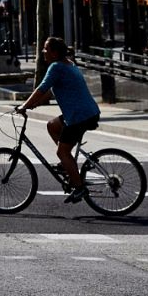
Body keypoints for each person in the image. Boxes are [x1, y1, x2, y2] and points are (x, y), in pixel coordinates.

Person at [17, 37, 100, 202]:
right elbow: (51, 91)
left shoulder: (56, 67)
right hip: (87, 112)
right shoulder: (68, 64)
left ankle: (79, 188)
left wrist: (24, 106)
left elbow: (42, 88)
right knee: (52, 125)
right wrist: (35, 104)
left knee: (62, 151)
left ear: (54, 53)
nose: (43, 52)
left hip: (79, 116)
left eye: (46, 49)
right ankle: (67, 163)